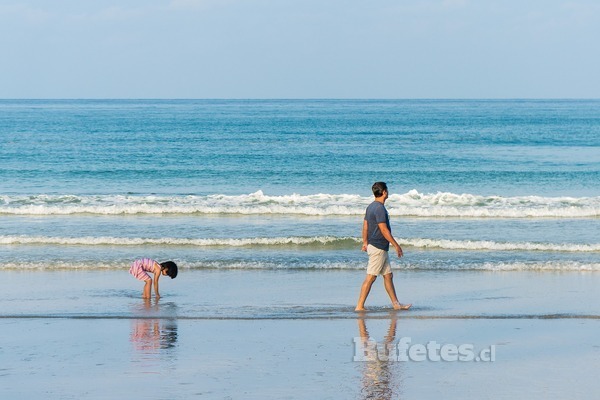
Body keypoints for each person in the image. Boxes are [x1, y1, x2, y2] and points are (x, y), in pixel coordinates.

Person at [355, 182, 411, 311]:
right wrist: (396, 245)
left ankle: (396, 304)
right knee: (371, 277)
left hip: (378, 246)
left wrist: (364, 242)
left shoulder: (370, 206)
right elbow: (384, 229)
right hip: (378, 247)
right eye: (387, 190)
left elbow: (365, 225)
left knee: (388, 275)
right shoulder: (379, 208)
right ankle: (359, 306)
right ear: (384, 192)